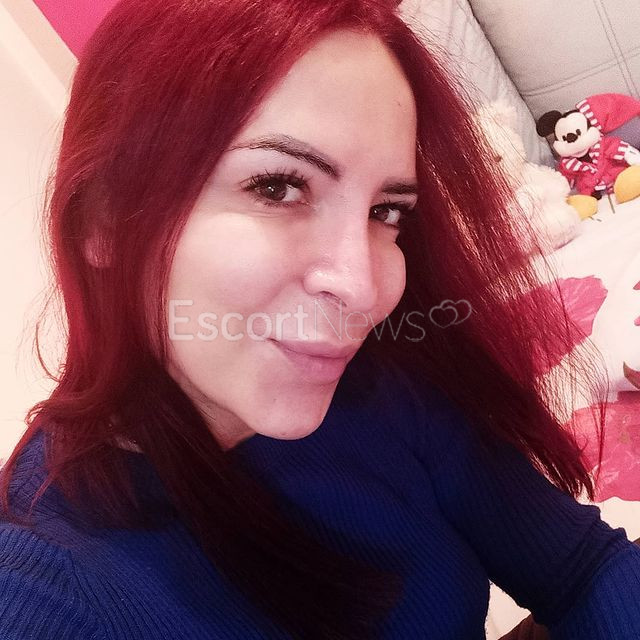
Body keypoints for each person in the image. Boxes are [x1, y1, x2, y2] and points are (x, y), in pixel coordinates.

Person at [1, 1, 639, 639]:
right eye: (277, 187)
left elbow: (581, 570)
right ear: (104, 221)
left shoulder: (384, 384)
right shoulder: (43, 585)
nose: (363, 290)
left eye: (386, 211)